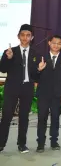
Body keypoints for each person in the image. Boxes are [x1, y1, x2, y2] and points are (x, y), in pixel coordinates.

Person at [0, 24, 40, 153]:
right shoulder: (10, 51)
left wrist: (39, 70)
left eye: (28, 35)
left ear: (32, 37)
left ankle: (22, 144)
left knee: (24, 117)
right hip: (12, 88)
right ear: (18, 36)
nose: (25, 38)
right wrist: (8, 58)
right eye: (22, 35)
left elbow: (35, 75)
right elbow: (3, 69)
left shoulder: (35, 54)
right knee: (6, 116)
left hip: (27, 88)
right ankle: (1, 143)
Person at [35, 35, 61, 153]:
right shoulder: (41, 58)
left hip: (57, 95)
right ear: (49, 43)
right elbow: (34, 76)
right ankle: (40, 143)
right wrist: (39, 69)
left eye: (59, 43)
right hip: (43, 94)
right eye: (54, 43)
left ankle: (54, 141)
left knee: (55, 118)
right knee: (42, 118)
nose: (56, 45)